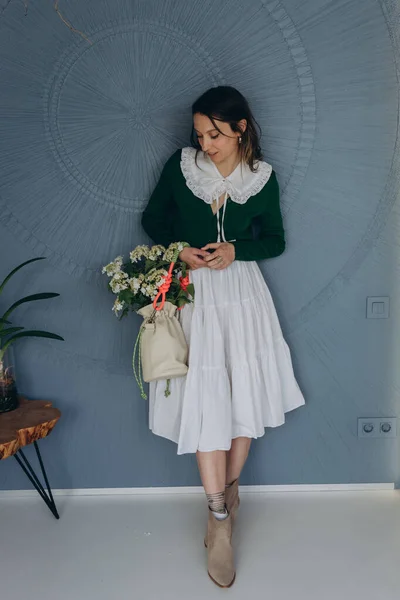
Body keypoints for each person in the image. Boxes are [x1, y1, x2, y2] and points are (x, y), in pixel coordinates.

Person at [141, 86, 305, 588]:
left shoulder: (262, 178)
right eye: (199, 134)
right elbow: (153, 220)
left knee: (241, 398)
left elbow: (275, 239)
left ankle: (228, 500)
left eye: (214, 133)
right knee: (205, 397)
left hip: (243, 296)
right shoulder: (181, 166)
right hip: (194, 296)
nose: (205, 143)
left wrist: (236, 249)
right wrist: (182, 251)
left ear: (241, 129)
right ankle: (218, 520)